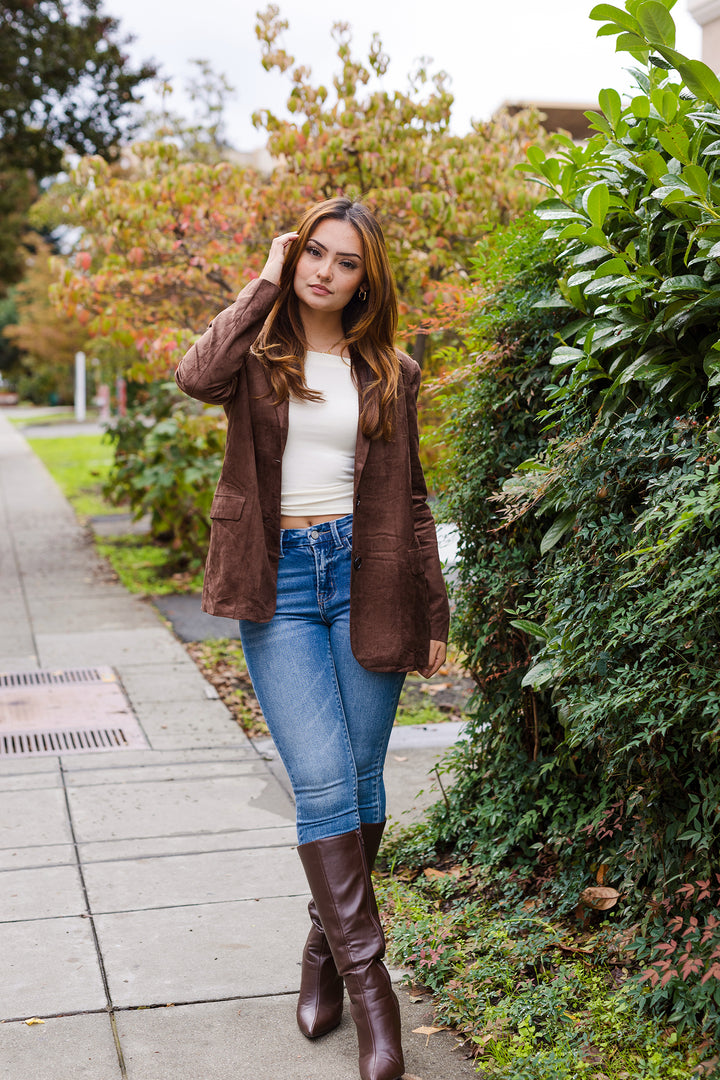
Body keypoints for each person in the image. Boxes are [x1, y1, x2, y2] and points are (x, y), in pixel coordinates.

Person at [175, 196, 449, 1080]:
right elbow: (193, 374)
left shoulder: (391, 369)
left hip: (367, 577)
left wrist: (434, 611)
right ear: (295, 257)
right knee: (325, 778)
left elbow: (410, 497)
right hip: (282, 581)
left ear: (368, 278)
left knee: (361, 783)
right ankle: (377, 998)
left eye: (346, 262)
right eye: (314, 254)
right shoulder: (256, 351)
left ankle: (320, 953)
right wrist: (261, 278)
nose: (325, 271)